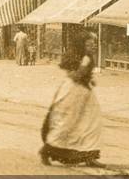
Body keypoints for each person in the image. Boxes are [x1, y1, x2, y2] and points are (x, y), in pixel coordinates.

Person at [39, 31, 104, 168]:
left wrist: (90, 79)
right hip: (72, 92)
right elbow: (74, 76)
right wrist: (83, 67)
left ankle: (89, 156)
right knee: (67, 123)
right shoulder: (78, 57)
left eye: (93, 44)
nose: (93, 47)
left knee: (91, 123)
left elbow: (84, 75)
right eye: (89, 44)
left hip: (85, 93)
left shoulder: (88, 57)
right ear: (82, 45)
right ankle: (47, 151)